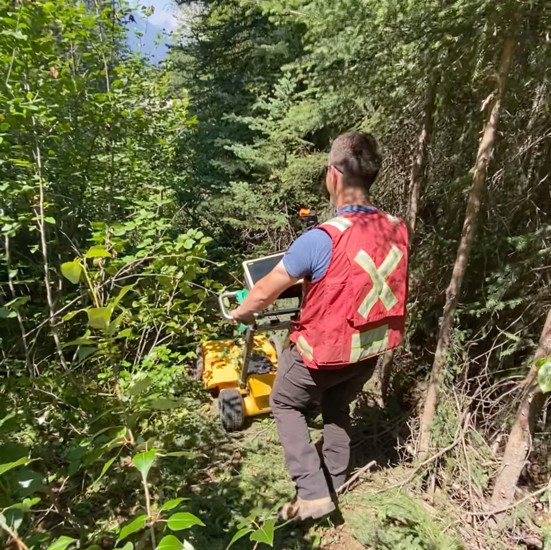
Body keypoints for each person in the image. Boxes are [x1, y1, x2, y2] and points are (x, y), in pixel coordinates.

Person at [229, 132, 409, 521]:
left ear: (333, 176)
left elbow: (262, 294)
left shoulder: (319, 239)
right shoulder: (396, 228)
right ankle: (337, 478)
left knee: (284, 402)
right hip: (369, 350)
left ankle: (312, 492)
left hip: (323, 353)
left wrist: (240, 313)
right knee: (336, 404)